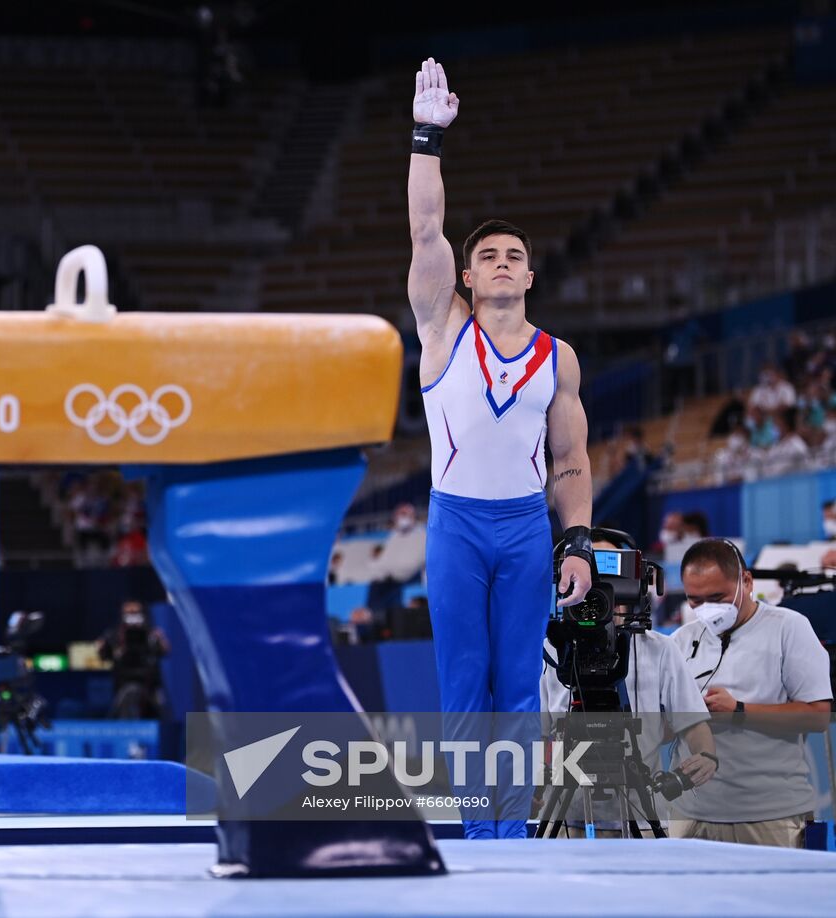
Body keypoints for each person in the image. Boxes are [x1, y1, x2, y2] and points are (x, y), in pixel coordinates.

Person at [408, 58, 594, 839]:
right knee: (464, 686)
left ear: (531, 272)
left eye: (515, 255)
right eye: (488, 255)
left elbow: (572, 462)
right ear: (469, 274)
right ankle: (473, 833)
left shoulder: (560, 356)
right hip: (455, 524)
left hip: (525, 528)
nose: (502, 263)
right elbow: (425, 228)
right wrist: (427, 138)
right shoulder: (441, 326)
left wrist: (577, 541)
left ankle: (510, 833)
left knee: (519, 686)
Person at [540, 537, 718, 838]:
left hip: (642, 817)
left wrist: (706, 756)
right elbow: (538, 734)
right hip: (566, 819)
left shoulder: (661, 650)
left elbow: (695, 728)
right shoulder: (552, 650)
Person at [668, 539, 832, 847]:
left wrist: (740, 711)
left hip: (770, 817)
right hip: (689, 816)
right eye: (695, 600)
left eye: (717, 597)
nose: (706, 610)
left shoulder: (790, 628)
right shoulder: (680, 640)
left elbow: (818, 716)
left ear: (746, 581)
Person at [97, 600, 169, 719]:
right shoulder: (114, 635)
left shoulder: (151, 634)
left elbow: (164, 651)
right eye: (129, 613)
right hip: (123, 684)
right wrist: (102, 647)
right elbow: (104, 656)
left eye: (136, 613)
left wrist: (161, 640)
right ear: (122, 615)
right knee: (124, 712)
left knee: (157, 713)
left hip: (149, 685)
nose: (133, 616)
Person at [365, 503, 427, 613]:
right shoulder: (394, 536)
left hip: (408, 577)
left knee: (388, 592)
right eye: (398, 515)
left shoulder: (421, 535)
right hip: (389, 577)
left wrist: (389, 570)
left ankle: (388, 621)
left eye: (404, 514)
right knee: (376, 585)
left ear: (413, 516)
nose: (401, 518)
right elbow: (380, 562)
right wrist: (384, 572)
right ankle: (373, 621)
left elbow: (411, 565)